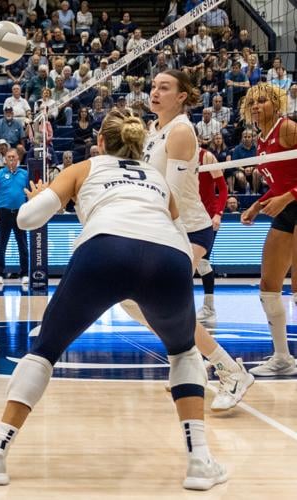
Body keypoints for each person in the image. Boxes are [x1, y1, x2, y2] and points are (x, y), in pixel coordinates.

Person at [0, 109, 227, 491]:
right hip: (168, 258)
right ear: (139, 147)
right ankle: (200, 461)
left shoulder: (85, 167)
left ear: (101, 142)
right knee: (184, 353)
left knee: (44, 351)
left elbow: (26, 219)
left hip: (105, 249)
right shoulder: (156, 178)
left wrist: (44, 196)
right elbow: (175, 224)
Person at [125, 70, 253, 411]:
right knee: (132, 301)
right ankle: (192, 360)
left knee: (165, 305)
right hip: (163, 227)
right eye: (153, 86)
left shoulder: (180, 131)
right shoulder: (153, 130)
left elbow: (171, 194)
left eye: (164, 88)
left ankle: (229, 371)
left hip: (187, 230)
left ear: (182, 96)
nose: (155, 91)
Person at [239, 83, 297, 376]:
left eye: (262, 101)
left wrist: (287, 197)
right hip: (287, 210)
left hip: (295, 204)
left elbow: (287, 189)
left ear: (276, 103)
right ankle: (283, 358)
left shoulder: (287, 128)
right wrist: (258, 205)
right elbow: (279, 183)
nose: (256, 106)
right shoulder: (262, 139)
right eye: (252, 102)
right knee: (268, 286)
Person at [196, 149, 228, 324]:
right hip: (185, 218)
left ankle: (209, 308)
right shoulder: (174, 158)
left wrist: (219, 214)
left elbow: (223, 188)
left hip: (206, 218)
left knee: (202, 262)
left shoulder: (206, 157)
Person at [0, 148, 29, 288]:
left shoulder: (25, 174)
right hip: (3, 213)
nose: (11, 159)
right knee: (1, 245)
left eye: (13, 157)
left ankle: (24, 274)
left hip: (20, 213)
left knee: (23, 245)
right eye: (9, 157)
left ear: (18, 159)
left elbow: (30, 193)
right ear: (5, 159)